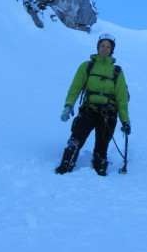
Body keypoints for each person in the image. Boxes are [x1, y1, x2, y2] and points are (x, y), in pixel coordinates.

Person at [55, 34, 131, 176]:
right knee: (76, 138)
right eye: (102, 45)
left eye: (108, 47)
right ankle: (66, 163)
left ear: (112, 50)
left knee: (102, 143)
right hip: (88, 110)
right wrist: (68, 105)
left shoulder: (117, 71)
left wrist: (125, 120)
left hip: (108, 113)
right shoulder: (87, 66)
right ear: (97, 47)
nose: (104, 49)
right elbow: (75, 87)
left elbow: (122, 98)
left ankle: (99, 161)